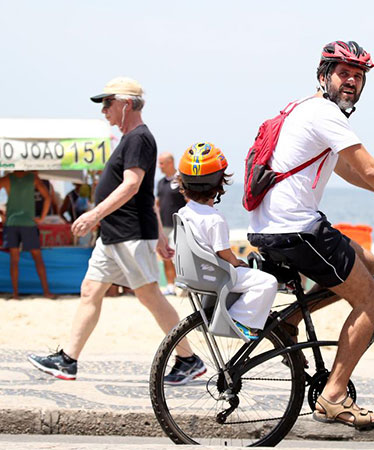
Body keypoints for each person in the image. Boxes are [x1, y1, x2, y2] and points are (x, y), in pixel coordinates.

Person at [247, 40, 374, 429]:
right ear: (324, 76)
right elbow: (369, 166)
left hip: (279, 225)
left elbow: (346, 169)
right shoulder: (325, 113)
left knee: (367, 262)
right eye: (343, 73)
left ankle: (289, 323)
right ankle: (334, 396)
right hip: (296, 229)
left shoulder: (306, 110)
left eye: (358, 76)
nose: (351, 81)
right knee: (373, 298)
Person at [27, 77, 202, 383]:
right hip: (116, 234)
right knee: (90, 291)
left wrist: (93, 214)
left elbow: (133, 186)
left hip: (130, 233)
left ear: (127, 104)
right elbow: (148, 196)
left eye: (108, 103)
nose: (104, 110)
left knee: (150, 297)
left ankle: (188, 358)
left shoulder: (139, 138)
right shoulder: (130, 139)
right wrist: (160, 235)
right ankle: (68, 360)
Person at [177, 142, 278, 341]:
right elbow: (223, 252)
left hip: (196, 272)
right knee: (267, 282)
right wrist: (236, 262)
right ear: (218, 184)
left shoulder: (184, 212)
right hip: (215, 275)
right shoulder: (214, 218)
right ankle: (239, 320)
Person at [0, 171, 57, 299]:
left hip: (11, 222)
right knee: (38, 258)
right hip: (28, 222)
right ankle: (46, 292)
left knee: (14, 260)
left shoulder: (7, 179)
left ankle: (15, 294)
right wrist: (42, 217)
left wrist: (2, 214)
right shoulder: (33, 178)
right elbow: (47, 197)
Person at [156, 152, 187, 296]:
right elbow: (158, 203)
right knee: (165, 256)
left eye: (161, 163)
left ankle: (184, 286)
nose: (159, 166)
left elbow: (189, 201)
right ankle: (170, 285)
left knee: (180, 257)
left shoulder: (181, 180)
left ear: (170, 162)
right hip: (164, 225)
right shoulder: (161, 183)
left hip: (178, 225)